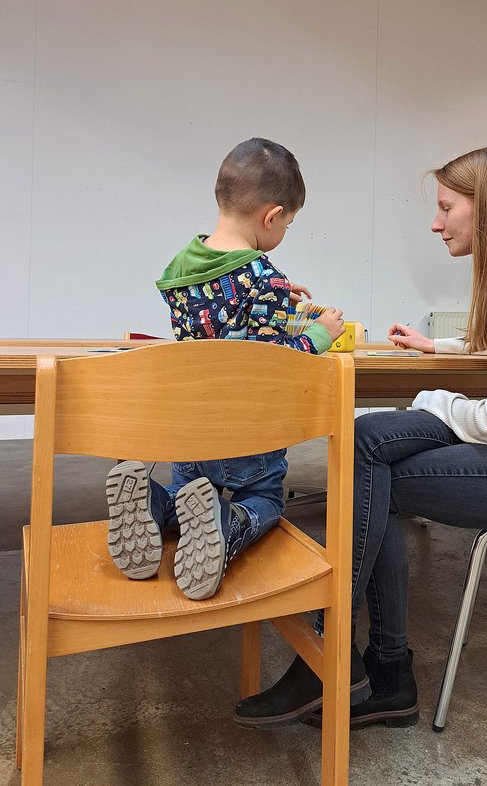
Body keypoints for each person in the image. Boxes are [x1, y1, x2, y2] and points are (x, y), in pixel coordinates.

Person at [233, 146, 487, 729]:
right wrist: (442, 349)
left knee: (374, 464)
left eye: (447, 207)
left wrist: (434, 401)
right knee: (365, 444)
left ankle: (345, 658)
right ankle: (364, 667)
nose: (435, 221)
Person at [105, 137, 345, 601]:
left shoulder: (180, 267)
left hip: (191, 433)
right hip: (246, 434)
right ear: (271, 216)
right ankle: (226, 523)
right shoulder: (263, 278)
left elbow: (222, 313)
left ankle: (155, 503)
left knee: (189, 494)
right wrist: (323, 332)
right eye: (288, 225)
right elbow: (278, 362)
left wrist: (273, 292)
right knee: (266, 502)